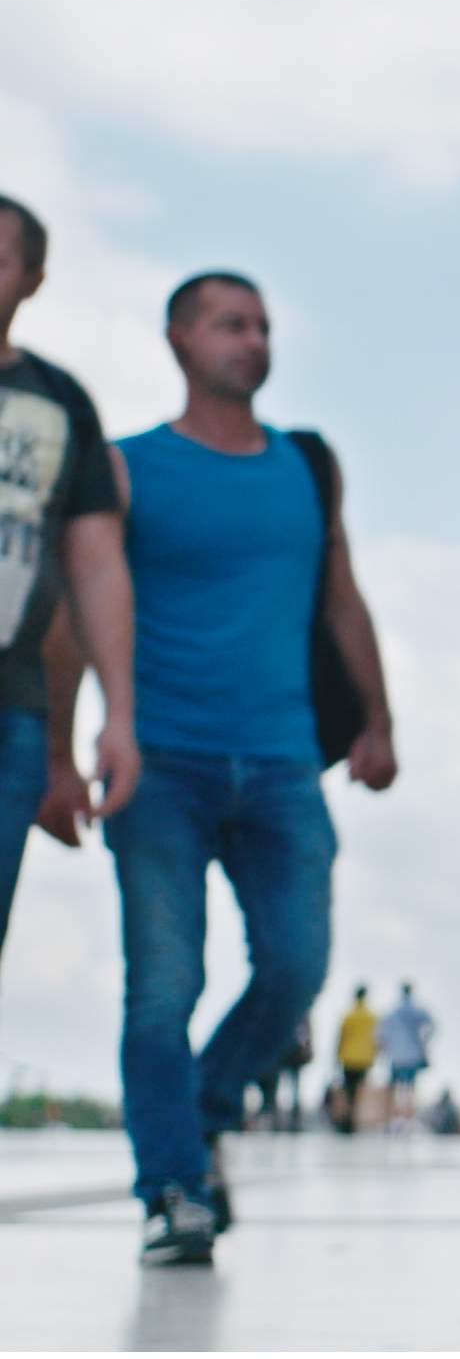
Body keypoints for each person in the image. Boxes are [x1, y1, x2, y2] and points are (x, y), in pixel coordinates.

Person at [61, 269, 397, 1266]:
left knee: (297, 966)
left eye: (261, 326)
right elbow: (81, 610)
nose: (250, 342)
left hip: (285, 761)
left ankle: (205, 1106)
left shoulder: (303, 468)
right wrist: (81, 738)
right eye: (228, 324)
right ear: (178, 340)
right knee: (163, 985)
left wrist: (377, 718)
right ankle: (173, 1188)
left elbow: (341, 599)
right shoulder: (122, 469)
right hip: (162, 762)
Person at [0, 191, 140, 985]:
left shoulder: (60, 405)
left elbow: (93, 569)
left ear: (32, 279)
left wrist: (109, 721)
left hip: (10, 709)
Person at [376, 981, 434, 1134]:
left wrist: (386, 1049)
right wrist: (423, 1042)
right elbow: (431, 1026)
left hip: (395, 1056)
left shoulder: (392, 1011)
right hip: (413, 1055)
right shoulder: (418, 1010)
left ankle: (391, 1120)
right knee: (410, 1089)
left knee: (393, 1089)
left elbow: (380, 1035)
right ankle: (408, 1121)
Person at [332, 985, 379, 1137]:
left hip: (348, 1057)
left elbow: (341, 1037)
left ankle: (347, 1121)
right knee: (359, 1091)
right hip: (365, 1059)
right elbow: (377, 1039)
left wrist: (336, 1056)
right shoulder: (371, 1016)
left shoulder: (349, 1015)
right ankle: (355, 1120)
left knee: (349, 1091)